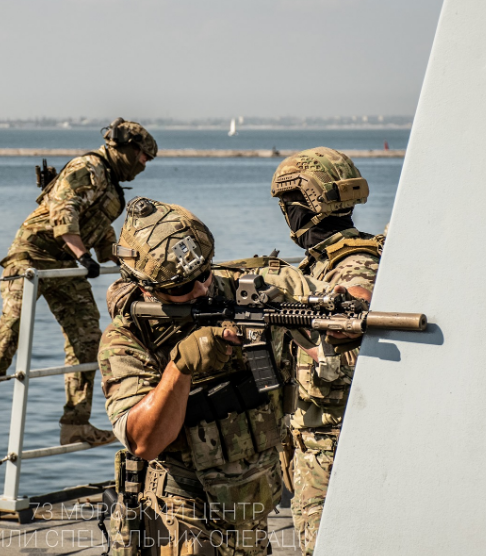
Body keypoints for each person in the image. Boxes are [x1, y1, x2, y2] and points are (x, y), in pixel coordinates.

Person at [99, 197, 341, 556]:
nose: (200, 290)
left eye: (204, 275)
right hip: (179, 518)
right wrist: (180, 367)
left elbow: (330, 301)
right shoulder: (127, 337)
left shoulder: (245, 288)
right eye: (181, 287)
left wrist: (341, 314)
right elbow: (144, 442)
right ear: (146, 287)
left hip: (249, 509)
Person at [0, 118, 158, 449]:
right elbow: (64, 214)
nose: (143, 167)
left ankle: (75, 424)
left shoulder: (110, 188)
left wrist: (142, 261)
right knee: (15, 318)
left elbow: (106, 244)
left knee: (89, 339)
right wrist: (83, 256)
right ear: (128, 150)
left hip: (66, 265)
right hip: (31, 256)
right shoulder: (88, 168)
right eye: (143, 158)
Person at [269, 147, 381, 554]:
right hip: (315, 437)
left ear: (304, 206)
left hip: (332, 444)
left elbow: (357, 294)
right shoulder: (317, 263)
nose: (287, 214)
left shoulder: (352, 260)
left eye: (288, 204)